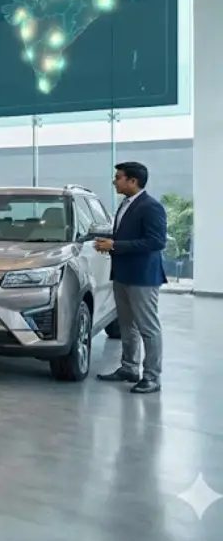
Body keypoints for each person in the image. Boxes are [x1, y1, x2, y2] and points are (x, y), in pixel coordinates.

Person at [95, 161, 167, 394]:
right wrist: (108, 241)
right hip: (122, 274)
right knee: (127, 326)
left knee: (148, 328)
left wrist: (115, 245)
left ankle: (152, 377)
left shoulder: (151, 207)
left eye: (118, 177)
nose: (114, 181)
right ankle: (129, 368)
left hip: (143, 277)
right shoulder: (126, 204)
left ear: (133, 181)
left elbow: (156, 242)